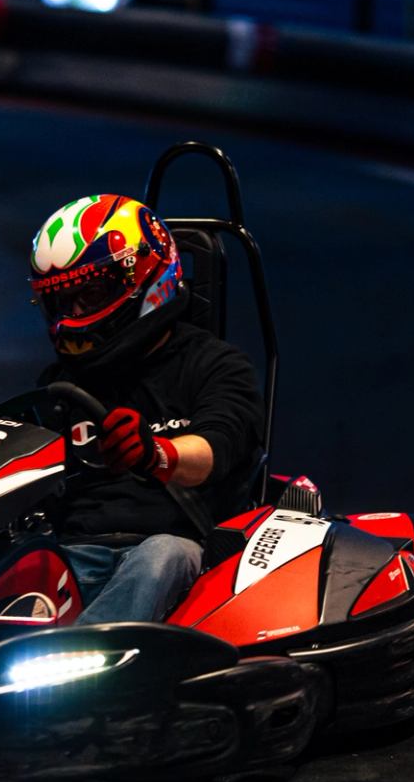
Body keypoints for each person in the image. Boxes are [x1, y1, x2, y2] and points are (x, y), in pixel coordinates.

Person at [27, 193, 264, 623]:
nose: (75, 313)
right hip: (74, 552)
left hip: (184, 552)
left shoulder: (215, 365)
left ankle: (76, 671)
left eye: (91, 292)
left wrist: (153, 453)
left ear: (145, 278)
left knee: (161, 555)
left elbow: (216, 449)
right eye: (62, 300)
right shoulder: (61, 385)